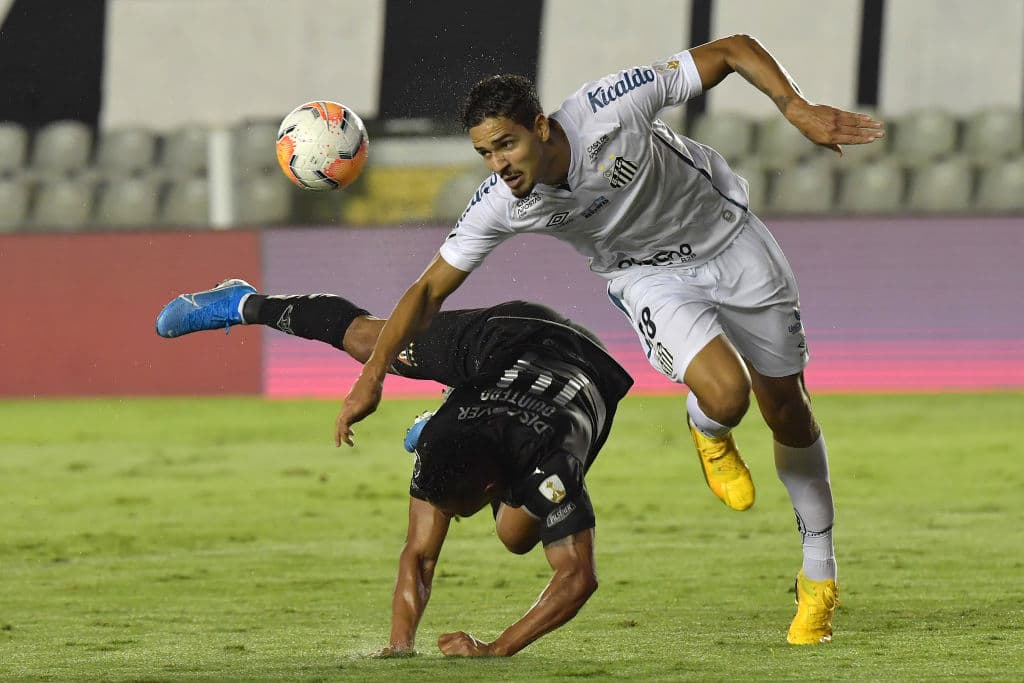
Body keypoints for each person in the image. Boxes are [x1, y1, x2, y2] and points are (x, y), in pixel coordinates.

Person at [337, 34, 884, 645]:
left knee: (788, 410)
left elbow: (731, 50)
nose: (499, 165)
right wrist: (371, 375)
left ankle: (817, 567)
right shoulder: (503, 202)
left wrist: (793, 105)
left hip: (731, 238)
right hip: (646, 277)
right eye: (485, 153)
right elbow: (428, 290)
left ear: (541, 127)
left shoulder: (610, 107)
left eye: (507, 145)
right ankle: (714, 436)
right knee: (728, 395)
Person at [155, 279, 633, 657]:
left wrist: (497, 649)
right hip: (491, 342)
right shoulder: (445, 447)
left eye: (458, 512)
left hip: (577, 362)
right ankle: (244, 304)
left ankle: (439, 423)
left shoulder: (552, 463)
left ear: (488, 483)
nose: (454, 520)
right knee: (371, 339)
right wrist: (399, 647)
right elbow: (420, 553)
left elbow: (577, 577)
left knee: (516, 538)